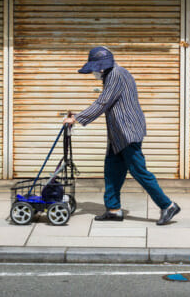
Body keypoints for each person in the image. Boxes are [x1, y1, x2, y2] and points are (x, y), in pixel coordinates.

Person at [64, 45, 181, 225]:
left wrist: (77, 118)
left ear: (102, 65)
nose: (95, 73)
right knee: (112, 170)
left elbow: (103, 102)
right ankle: (113, 209)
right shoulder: (115, 73)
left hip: (127, 132)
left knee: (138, 171)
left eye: (96, 68)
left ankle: (168, 205)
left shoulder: (116, 75)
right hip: (118, 132)